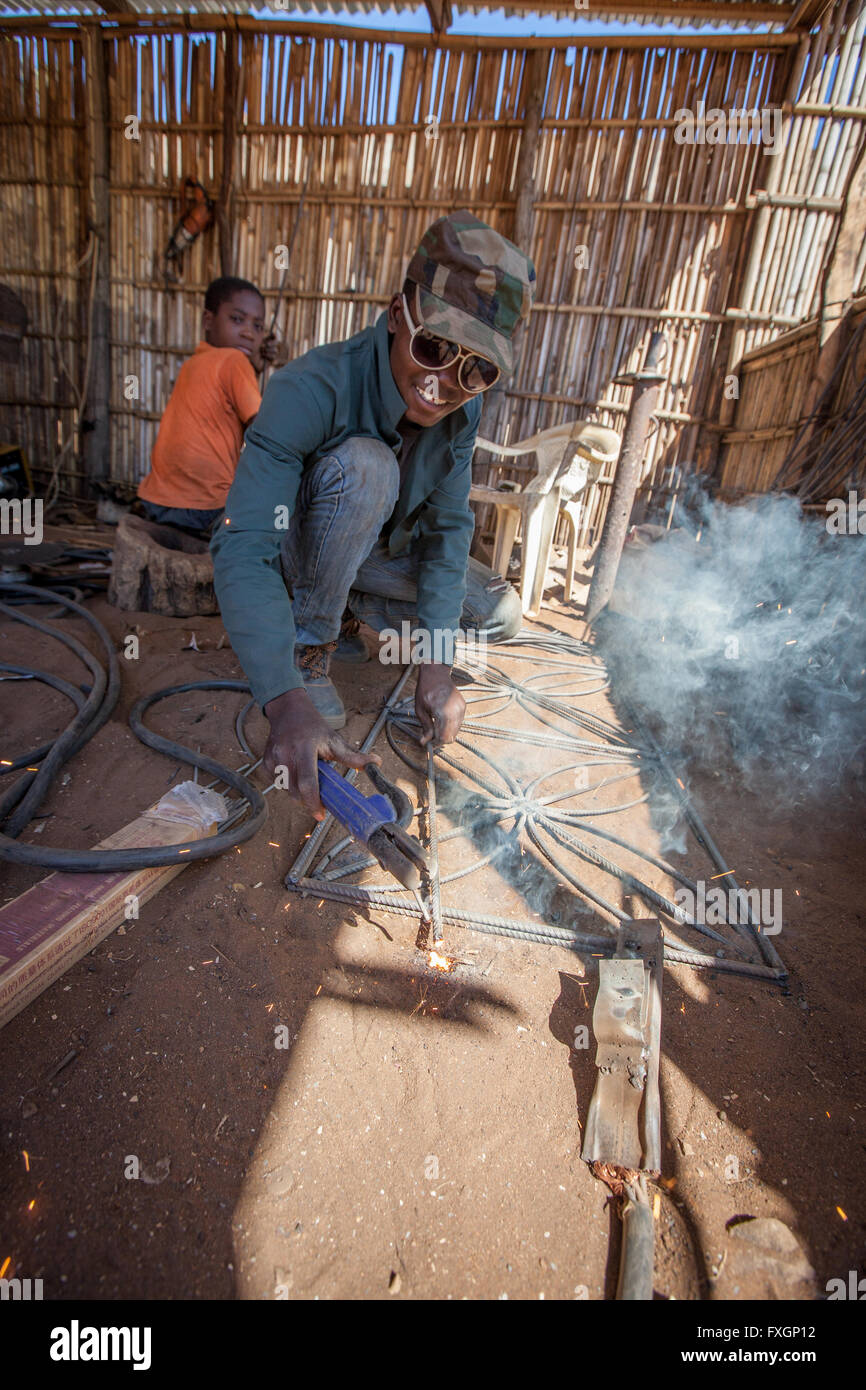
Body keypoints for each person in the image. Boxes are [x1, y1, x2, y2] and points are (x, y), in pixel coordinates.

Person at [211, 210, 535, 818]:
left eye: (475, 369)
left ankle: (346, 608)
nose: (443, 383)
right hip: (294, 546)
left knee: (499, 613)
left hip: (370, 557)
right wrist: (283, 700)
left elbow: (444, 536)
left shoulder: (461, 414)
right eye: (434, 346)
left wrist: (435, 667)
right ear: (396, 314)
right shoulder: (311, 389)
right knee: (368, 466)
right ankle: (308, 647)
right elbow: (243, 544)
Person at [137, 276, 282, 536]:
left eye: (258, 326)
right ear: (208, 321)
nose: (249, 333)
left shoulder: (193, 364)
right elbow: (263, 428)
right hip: (206, 508)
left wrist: (258, 366)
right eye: (237, 320)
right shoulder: (234, 361)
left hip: (158, 501)